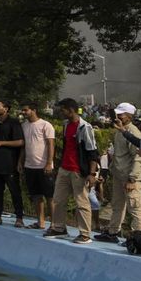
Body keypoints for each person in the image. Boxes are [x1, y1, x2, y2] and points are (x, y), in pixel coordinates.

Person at [44, 98, 99, 243]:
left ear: (71, 109)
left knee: (81, 202)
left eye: (63, 110)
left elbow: (92, 151)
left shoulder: (84, 127)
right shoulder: (66, 124)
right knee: (58, 200)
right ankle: (59, 227)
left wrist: (91, 174)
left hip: (78, 171)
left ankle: (85, 234)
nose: (61, 112)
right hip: (64, 168)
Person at [99, 103, 141, 242]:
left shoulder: (134, 132)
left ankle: (138, 238)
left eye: (121, 114)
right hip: (119, 175)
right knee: (117, 205)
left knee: (135, 207)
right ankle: (113, 232)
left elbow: (138, 157)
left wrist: (132, 179)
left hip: (129, 177)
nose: (117, 116)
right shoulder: (120, 130)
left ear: (129, 116)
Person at [20, 102, 55, 229]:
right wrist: (21, 162)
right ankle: (40, 222)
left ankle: (54, 224)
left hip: (44, 166)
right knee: (36, 195)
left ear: (33, 110)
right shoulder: (24, 126)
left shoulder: (46, 125)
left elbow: (51, 144)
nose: (23, 112)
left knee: (50, 196)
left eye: (25, 110)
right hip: (30, 166)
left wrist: (49, 163)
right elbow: (24, 146)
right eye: (22, 110)